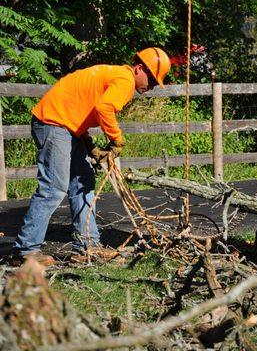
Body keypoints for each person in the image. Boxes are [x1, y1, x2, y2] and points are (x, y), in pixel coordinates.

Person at [10, 47, 171, 266]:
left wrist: (88, 143)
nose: (151, 86)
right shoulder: (125, 80)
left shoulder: (115, 75)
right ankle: (26, 251)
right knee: (54, 188)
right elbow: (103, 108)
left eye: (154, 83)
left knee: (83, 181)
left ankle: (87, 246)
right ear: (139, 68)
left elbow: (78, 107)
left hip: (63, 124)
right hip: (53, 123)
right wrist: (117, 139)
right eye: (151, 79)